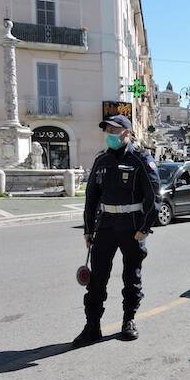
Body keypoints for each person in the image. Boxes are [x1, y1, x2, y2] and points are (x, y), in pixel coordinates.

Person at [73, 115, 161, 348]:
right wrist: (88, 230)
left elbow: (154, 197)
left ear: (127, 133)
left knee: (132, 276)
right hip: (105, 227)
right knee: (97, 279)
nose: (110, 133)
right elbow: (91, 197)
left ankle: (129, 320)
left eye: (114, 129)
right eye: (108, 129)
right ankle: (92, 327)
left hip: (132, 227)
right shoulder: (102, 160)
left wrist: (145, 228)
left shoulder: (140, 159)